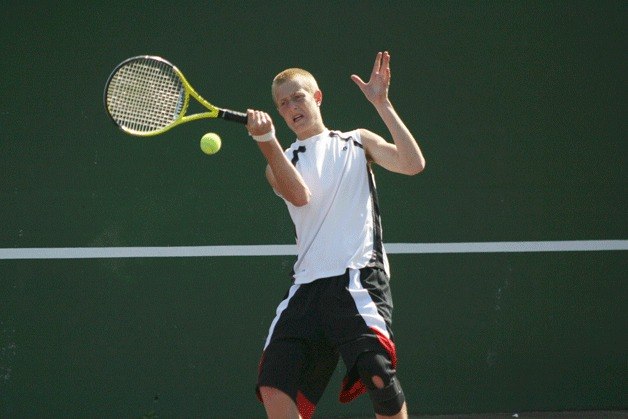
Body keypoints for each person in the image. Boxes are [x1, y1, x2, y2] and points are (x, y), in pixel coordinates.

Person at [245, 51, 425, 419]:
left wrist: (382, 104)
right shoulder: (278, 162)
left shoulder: (357, 142)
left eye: (298, 96)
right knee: (273, 386)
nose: (291, 106)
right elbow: (299, 195)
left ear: (317, 97)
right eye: (283, 103)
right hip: (307, 288)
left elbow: (412, 164)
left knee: (378, 375)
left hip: (357, 277)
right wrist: (267, 141)